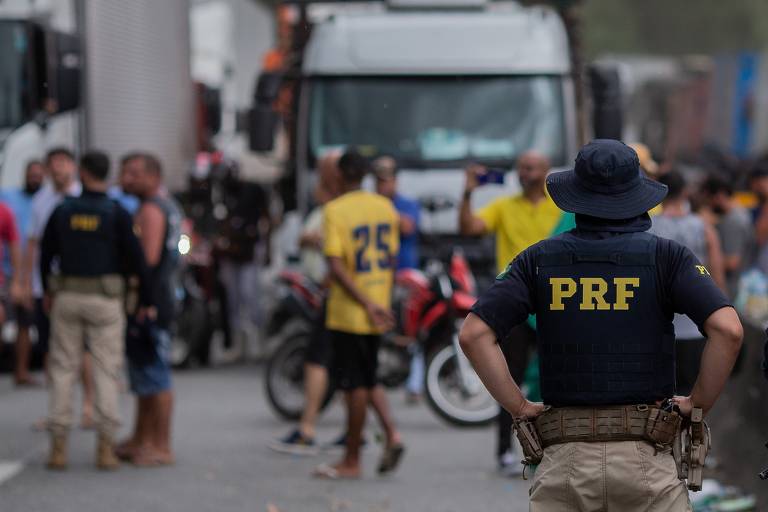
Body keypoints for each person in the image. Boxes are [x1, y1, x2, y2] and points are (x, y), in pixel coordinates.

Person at [460, 139, 743, 511]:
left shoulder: (538, 259)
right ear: (637, 194)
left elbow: (474, 334)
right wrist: (697, 403)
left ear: (575, 195)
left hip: (564, 463)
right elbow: (729, 329)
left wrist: (519, 407)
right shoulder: (667, 257)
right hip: (647, 461)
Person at [458, 150, 574, 475]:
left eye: (532, 167)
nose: (526, 173)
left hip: (554, 303)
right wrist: (468, 191)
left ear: (547, 170)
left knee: (554, 378)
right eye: (522, 167)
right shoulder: (505, 206)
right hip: (515, 306)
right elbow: (469, 226)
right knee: (509, 377)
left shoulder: (564, 208)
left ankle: (553, 446)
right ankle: (504, 451)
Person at [40, 151, 152, 470]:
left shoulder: (63, 211)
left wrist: (49, 289)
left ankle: (58, 447)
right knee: (106, 370)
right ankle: (105, 448)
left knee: (63, 369)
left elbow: (46, 255)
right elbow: (137, 258)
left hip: (68, 297)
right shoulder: (116, 213)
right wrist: (145, 297)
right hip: (106, 300)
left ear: (82, 172)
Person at [313, 150, 404, 479]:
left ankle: (351, 460)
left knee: (354, 387)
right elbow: (392, 259)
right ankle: (390, 435)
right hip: (378, 304)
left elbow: (335, 266)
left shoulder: (334, 210)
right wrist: (383, 300)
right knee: (366, 378)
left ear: (338, 175)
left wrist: (366, 303)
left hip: (351, 311)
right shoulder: (384, 207)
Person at [117, 152, 182, 466]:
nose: (126, 179)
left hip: (152, 304)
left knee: (156, 377)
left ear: (154, 177)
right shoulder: (164, 206)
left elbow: (149, 262)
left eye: (134, 173)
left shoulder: (152, 210)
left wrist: (145, 303)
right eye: (124, 172)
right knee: (143, 374)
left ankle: (161, 446)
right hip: (158, 300)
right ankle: (140, 438)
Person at [23, 148, 94, 428]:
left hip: (78, 286)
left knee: (84, 348)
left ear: (74, 167)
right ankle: (58, 410)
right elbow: (32, 243)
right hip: (47, 287)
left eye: (63, 163)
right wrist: (25, 282)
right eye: (53, 164)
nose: (58, 169)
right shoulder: (41, 200)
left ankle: (89, 406)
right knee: (51, 349)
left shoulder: (85, 197)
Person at [650, 170, 727, 394]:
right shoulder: (703, 227)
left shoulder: (649, 227)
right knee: (689, 393)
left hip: (658, 327)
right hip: (696, 325)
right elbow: (717, 272)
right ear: (684, 191)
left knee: (660, 395)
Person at [372, 156, 424, 402]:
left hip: (405, 279)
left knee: (412, 332)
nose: (384, 186)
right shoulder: (371, 204)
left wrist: (382, 210)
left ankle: (414, 385)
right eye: (380, 180)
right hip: (378, 278)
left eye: (388, 180)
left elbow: (407, 227)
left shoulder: (406, 203)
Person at [2, 160, 44, 386]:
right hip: (7, 270)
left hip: (32, 272)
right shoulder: (7, 197)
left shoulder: (45, 199)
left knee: (26, 321)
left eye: (39, 175)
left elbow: (19, 242)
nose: (35, 178)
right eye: (32, 174)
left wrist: (21, 278)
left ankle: (22, 371)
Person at [700, 175, 753, 300]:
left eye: (708, 199)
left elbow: (732, 261)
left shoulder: (733, 221)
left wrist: (700, 265)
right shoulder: (737, 213)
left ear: (719, 196)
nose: (707, 205)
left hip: (732, 288)